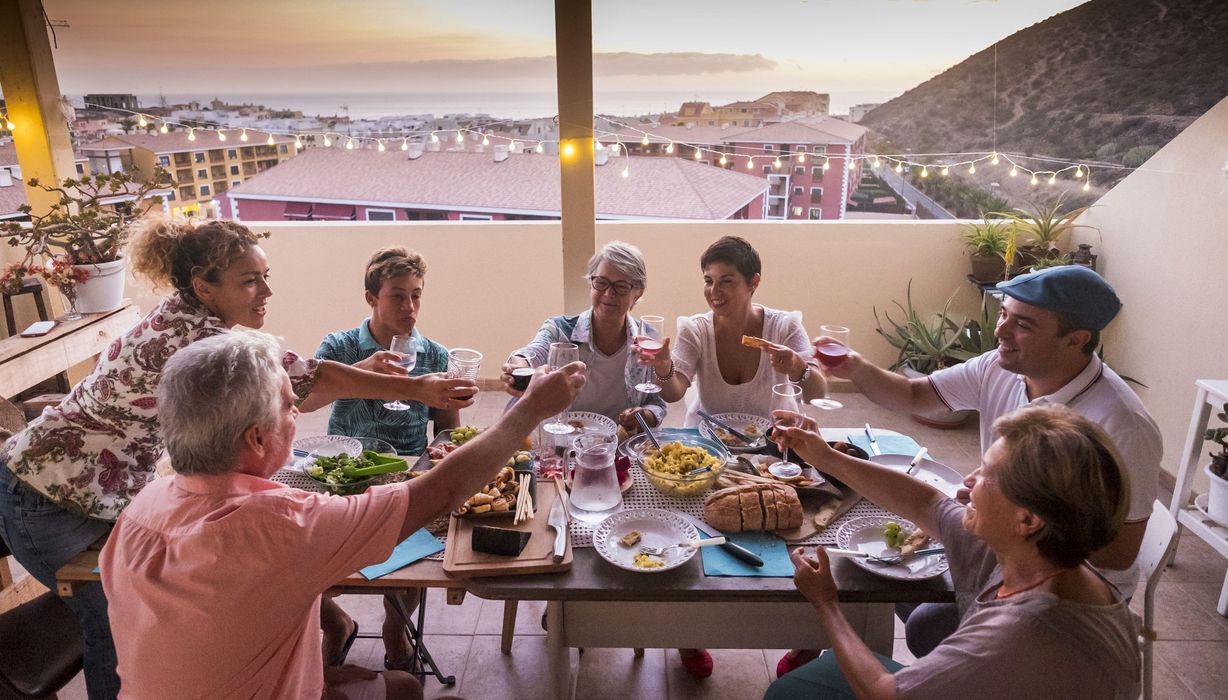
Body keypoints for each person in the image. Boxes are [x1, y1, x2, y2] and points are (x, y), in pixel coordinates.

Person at [0, 218, 476, 699]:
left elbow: (302, 386)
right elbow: (307, 379)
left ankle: (305, 646)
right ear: (203, 287)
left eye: (265, 275)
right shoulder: (191, 337)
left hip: (99, 491)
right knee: (115, 625)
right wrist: (417, 387)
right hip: (45, 496)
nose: (266, 289)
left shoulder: (191, 317)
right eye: (249, 280)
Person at [100, 331, 586, 699]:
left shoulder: (141, 508)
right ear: (257, 439)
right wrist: (526, 411)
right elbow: (441, 491)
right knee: (406, 690)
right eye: (291, 409)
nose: (296, 417)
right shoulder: (279, 524)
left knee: (379, 682)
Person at [796, 264, 1160, 665]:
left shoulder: (1122, 426)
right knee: (886, 574)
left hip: (1060, 596)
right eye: (1003, 313)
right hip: (1002, 547)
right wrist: (856, 368)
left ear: (1076, 339)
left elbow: (1119, 553)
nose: (1000, 330)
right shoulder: (999, 367)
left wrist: (1011, 512)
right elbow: (917, 395)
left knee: (923, 620)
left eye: (1022, 323)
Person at [765, 404, 1140, 700]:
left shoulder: (1021, 635)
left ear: (1027, 519)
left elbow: (883, 693)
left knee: (792, 692)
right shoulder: (1042, 551)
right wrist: (825, 457)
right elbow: (928, 504)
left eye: (987, 476)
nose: (968, 483)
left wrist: (827, 603)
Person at [315, 247, 458, 671]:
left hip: (404, 479)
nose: (409, 307)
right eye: (397, 295)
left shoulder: (434, 354)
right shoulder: (339, 346)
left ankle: (395, 629)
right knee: (296, 557)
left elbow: (448, 430)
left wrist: (443, 446)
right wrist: (361, 370)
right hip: (344, 476)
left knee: (419, 557)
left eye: (416, 295)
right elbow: (302, 402)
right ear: (370, 299)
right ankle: (336, 623)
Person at [637, 236, 827, 428]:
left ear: (754, 282)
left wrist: (797, 366)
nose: (714, 291)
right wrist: (663, 367)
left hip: (775, 441)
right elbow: (672, 394)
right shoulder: (695, 330)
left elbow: (817, 394)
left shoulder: (785, 326)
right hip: (709, 443)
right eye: (709, 281)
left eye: (726, 281)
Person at [502, 241, 665, 432]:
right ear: (590, 284)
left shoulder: (647, 339)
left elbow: (656, 402)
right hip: (561, 442)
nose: (608, 293)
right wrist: (517, 365)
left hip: (615, 446)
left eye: (620, 287)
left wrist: (643, 416)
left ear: (637, 294)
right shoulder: (560, 330)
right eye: (601, 283)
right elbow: (532, 353)